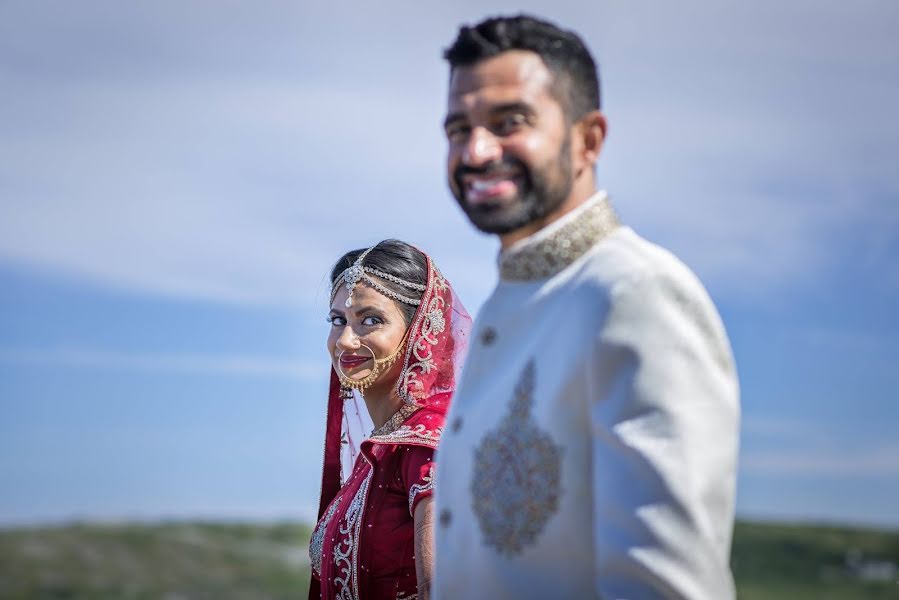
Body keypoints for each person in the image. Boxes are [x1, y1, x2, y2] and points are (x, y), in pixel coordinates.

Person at [433, 15, 740, 599]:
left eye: (509, 122)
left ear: (588, 139)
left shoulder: (633, 294)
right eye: (457, 129)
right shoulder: (507, 307)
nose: (476, 151)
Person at [308, 239, 471, 600]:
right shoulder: (377, 453)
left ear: (420, 333)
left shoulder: (428, 443)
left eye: (371, 320)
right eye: (338, 320)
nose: (346, 340)